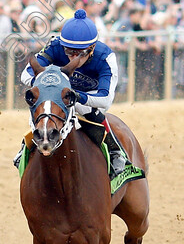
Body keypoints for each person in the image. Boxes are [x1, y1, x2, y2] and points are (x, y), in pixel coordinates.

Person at [20, 9, 125, 175]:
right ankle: (27, 144)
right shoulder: (55, 45)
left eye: (79, 53)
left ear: (92, 48)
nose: (73, 57)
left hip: (90, 97)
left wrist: (77, 96)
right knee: (42, 106)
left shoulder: (106, 58)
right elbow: (26, 74)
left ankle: (115, 150)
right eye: (69, 51)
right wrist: (47, 87)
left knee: (83, 109)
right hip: (59, 93)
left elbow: (105, 99)